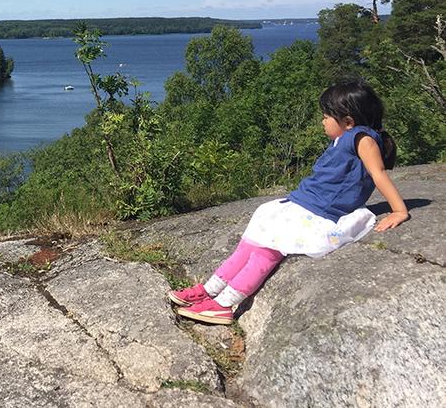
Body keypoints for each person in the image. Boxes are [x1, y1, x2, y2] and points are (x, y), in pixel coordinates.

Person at [170, 81, 409, 325]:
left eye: (326, 117)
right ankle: (210, 289)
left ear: (348, 121)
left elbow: (378, 173)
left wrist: (399, 210)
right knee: (250, 243)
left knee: (266, 252)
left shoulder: (362, 139)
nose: (322, 121)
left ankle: (224, 303)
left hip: (318, 212)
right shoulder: (347, 137)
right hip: (304, 203)